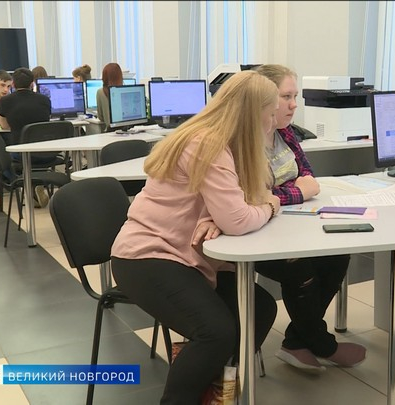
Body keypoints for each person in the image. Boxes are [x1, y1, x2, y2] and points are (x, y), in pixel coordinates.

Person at [110, 70, 280, 404]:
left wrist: (220, 216)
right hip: (147, 257)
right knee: (215, 332)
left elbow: (244, 203)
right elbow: (242, 216)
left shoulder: (230, 145)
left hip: (186, 257)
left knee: (259, 309)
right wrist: (268, 207)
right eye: (271, 113)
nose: (274, 122)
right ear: (252, 114)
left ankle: (216, 393)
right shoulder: (206, 144)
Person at [253, 64, 365, 373]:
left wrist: (290, 192)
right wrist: (297, 191)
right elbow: (257, 196)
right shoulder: (246, 141)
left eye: (296, 96)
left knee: (337, 254)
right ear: (264, 99)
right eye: (286, 97)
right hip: (256, 230)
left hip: (291, 222)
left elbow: (308, 177)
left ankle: (296, 341)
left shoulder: (285, 133)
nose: (294, 105)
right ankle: (322, 344)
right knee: (299, 266)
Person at [0, 67, 53, 207]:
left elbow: (4, 126)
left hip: (20, 153)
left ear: (13, 84)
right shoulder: (45, 100)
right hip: (47, 153)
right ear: (32, 83)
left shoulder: (5, 101)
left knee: (2, 157)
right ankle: (36, 183)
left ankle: (25, 183)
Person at [96, 62, 123, 132]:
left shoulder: (100, 92)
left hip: (110, 132)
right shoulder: (125, 91)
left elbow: (101, 117)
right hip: (128, 130)